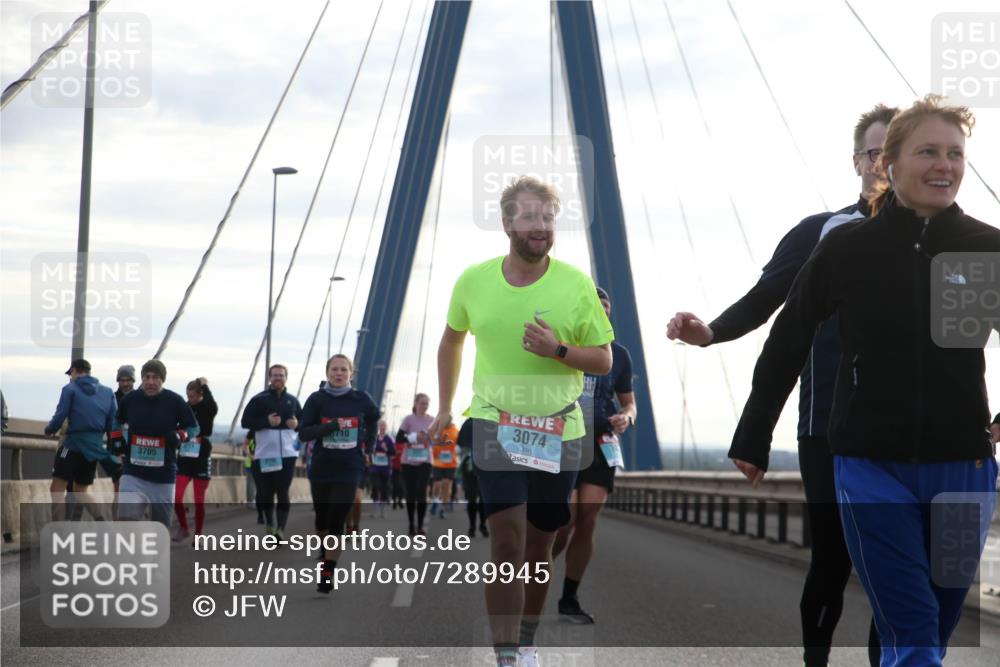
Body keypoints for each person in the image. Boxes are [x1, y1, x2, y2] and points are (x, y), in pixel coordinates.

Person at [729, 95, 998, 667]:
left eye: (955, 153)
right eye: (927, 151)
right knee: (914, 626)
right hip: (871, 468)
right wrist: (754, 434)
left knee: (938, 619)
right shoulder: (847, 248)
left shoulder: (986, 247)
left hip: (964, 469)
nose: (943, 165)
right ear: (890, 163)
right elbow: (787, 339)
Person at [667, 103, 899, 667]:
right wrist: (712, 332)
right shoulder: (823, 231)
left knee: (896, 571)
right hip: (827, 427)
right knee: (833, 561)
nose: (885, 163)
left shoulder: (943, 237)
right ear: (856, 162)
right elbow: (767, 299)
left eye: (897, 150)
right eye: (875, 152)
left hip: (907, 428)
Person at [432, 175, 614, 667]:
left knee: (540, 547)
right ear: (508, 222)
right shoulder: (473, 280)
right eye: (531, 217)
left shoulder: (575, 284)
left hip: (559, 429)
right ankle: (506, 655)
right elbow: (452, 339)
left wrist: (557, 349)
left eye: (549, 219)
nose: (541, 227)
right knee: (508, 541)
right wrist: (448, 407)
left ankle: (529, 641)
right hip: (496, 422)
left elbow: (602, 360)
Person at [552, 286, 635, 624]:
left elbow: (629, 402)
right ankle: (535, 573)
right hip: (564, 441)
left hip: (601, 442)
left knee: (587, 516)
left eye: (607, 307)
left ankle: (569, 598)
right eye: (596, 307)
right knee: (563, 522)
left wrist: (627, 417)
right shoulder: (564, 346)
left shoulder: (619, 354)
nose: (603, 312)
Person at [298, 354, 380, 594]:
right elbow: (304, 434)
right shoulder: (317, 400)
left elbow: (374, 420)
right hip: (322, 466)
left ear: (351, 374)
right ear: (327, 373)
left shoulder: (361, 399)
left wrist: (370, 446)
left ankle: (328, 572)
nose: (338, 373)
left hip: (350, 466)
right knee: (322, 520)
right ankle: (325, 551)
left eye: (343, 370)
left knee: (337, 521)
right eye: (334, 369)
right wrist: (331, 427)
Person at [116, 360, 199, 527]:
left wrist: (180, 435)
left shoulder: (174, 401)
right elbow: (116, 419)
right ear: (141, 379)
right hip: (133, 473)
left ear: (163, 380)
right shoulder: (131, 399)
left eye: (155, 377)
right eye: (146, 377)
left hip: (163, 476)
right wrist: (115, 437)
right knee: (126, 522)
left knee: (160, 529)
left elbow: (194, 427)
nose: (150, 382)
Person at [44, 359, 119, 521]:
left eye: (71, 373)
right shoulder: (108, 392)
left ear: (74, 371)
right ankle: (101, 519)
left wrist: (49, 430)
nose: (71, 377)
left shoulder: (70, 389)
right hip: (93, 449)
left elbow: (60, 415)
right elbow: (112, 424)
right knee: (80, 490)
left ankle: (58, 531)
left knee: (57, 488)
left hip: (72, 445)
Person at [241, 364, 302, 539]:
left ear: (286, 378)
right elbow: (246, 422)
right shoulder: (259, 400)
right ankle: (270, 525)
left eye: (281, 375)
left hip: (288, 455)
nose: (278, 378)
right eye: (275, 375)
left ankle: (280, 530)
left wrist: (297, 425)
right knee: (266, 492)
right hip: (266, 454)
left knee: (283, 491)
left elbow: (305, 424)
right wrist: (266, 421)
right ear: (270, 378)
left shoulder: (293, 400)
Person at [173, 378, 218, 541]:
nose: (189, 399)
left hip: (202, 453)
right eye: (188, 396)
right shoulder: (184, 408)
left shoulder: (207, 407)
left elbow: (212, 406)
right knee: (176, 495)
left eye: (192, 396)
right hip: (185, 455)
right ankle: (184, 527)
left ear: (200, 394)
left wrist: (205, 386)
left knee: (199, 500)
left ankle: (199, 534)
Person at [397, 393, 434, 536]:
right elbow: (399, 438)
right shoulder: (408, 419)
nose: (424, 406)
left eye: (426, 403)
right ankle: (411, 524)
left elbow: (437, 438)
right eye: (422, 403)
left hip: (425, 460)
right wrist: (413, 437)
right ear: (416, 404)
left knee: (421, 492)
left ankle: (420, 526)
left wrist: (429, 438)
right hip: (408, 461)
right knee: (411, 494)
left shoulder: (432, 420)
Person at [457, 418, 489, 539]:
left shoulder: (468, 422)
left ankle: (475, 526)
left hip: (474, 463)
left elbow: (460, 441)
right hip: (478, 463)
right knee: (480, 497)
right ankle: (480, 525)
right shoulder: (488, 421)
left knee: (475, 497)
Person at [429, 422, 459, 518]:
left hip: (450, 463)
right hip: (437, 462)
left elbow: (459, 444)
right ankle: (435, 501)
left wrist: (457, 448)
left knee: (447, 485)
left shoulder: (455, 430)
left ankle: (444, 508)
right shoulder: (436, 429)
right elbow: (430, 441)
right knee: (437, 485)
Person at [368, 420, 395, 518]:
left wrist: (386, 449)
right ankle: (375, 510)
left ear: (386, 427)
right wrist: (372, 454)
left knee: (384, 488)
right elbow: (369, 451)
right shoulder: (375, 438)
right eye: (381, 426)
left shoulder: (389, 439)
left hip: (385, 467)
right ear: (378, 427)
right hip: (375, 467)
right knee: (375, 486)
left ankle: (382, 511)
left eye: (384, 426)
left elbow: (393, 453)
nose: (382, 427)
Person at [390, 422, 405, 509]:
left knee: (401, 486)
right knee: (395, 485)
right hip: (394, 467)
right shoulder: (394, 444)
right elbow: (391, 454)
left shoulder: (405, 444)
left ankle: (399, 500)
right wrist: (396, 453)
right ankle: (395, 501)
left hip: (403, 467)